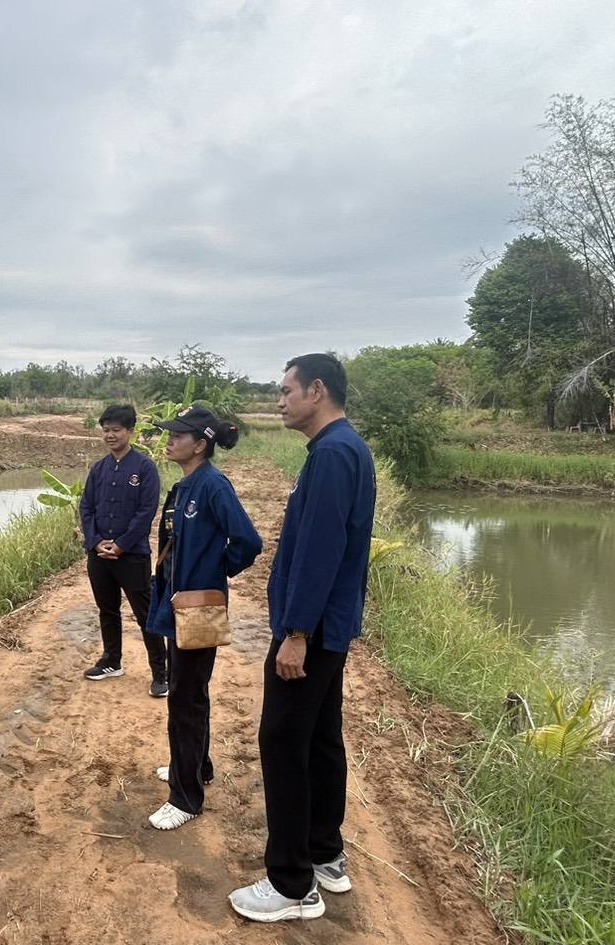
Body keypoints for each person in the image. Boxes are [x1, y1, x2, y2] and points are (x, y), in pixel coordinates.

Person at [229, 353, 376, 923]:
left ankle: (291, 884)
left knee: (284, 742)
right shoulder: (341, 449)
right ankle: (324, 854)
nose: (280, 401)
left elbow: (320, 552)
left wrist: (296, 633)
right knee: (319, 739)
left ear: (317, 390)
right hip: (327, 627)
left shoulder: (334, 455)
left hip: (309, 631)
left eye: (286, 391)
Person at [142, 403, 262, 831]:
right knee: (190, 691)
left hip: (199, 609)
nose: (170, 440)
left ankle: (185, 797)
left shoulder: (213, 485)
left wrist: (216, 570)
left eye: (178, 435)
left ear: (200, 444)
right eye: (170, 434)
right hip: (177, 605)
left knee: (185, 700)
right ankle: (195, 765)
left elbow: (248, 541)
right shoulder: (185, 486)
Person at [78, 403, 168, 695]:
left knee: (145, 613)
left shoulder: (144, 468)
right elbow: (87, 507)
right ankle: (111, 661)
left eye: (116, 430)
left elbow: (146, 511)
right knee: (107, 610)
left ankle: (161, 673)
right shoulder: (99, 469)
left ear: (130, 431)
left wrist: (121, 545)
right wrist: (95, 541)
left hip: (132, 555)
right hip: (99, 556)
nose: (110, 435)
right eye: (106, 430)